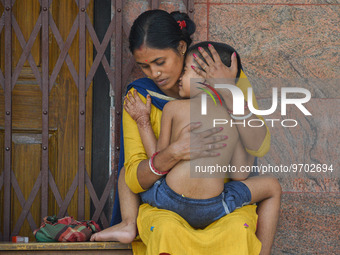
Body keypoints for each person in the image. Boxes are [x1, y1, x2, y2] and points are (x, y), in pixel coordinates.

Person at [91, 10, 276, 255]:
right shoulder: (141, 95)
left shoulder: (227, 79)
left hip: (193, 198)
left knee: (236, 229)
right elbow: (137, 175)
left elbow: (259, 145)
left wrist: (230, 92)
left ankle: (128, 224)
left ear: (180, 48)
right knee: (164, 224)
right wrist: (175, 152)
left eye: (160, 62)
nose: (153, 74)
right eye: (144, 66)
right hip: (207, 202)